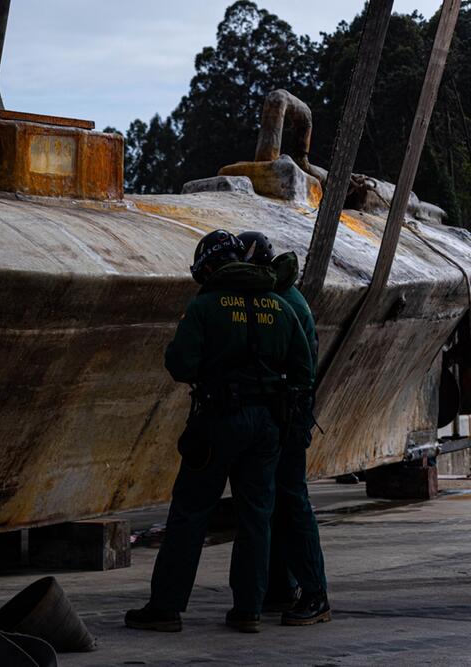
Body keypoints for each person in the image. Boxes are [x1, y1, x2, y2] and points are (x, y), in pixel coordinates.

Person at [125, 229, 313, 633]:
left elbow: (181, 365)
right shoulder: (280, 305)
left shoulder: (205, 306)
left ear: (210, 267)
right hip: (267, 428)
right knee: (256, 517)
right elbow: (303, 369)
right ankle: (249, 610)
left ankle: (166, 607)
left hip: (218, 422)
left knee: (191, 512)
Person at [238, 231, 331, 626]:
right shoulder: (286, 297)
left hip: (287, 415)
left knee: (292, 502)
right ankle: (282, 586)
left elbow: (298, 369)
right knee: (278, 501)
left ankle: (315, 594)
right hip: (288, 412)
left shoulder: (281, 303)